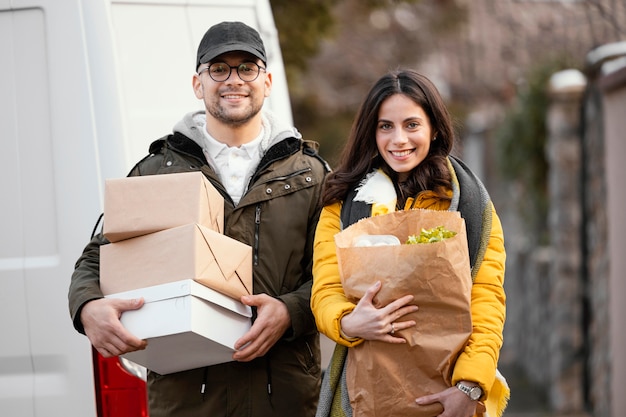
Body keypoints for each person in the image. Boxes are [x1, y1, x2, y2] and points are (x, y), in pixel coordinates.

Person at [68, 21, 329, 417]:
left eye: (247, 67)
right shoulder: (157, 170)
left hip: (285, 396)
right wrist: (87, 307)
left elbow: (337, 275)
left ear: (268, 80)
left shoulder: (312, 175)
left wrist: (290, 310)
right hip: (188, 399)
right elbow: (96, 259)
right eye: (218, 69)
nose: (233, 80)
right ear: (198, 84)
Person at [311, 69, 509, 417]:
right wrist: (347, 322)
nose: (398, 139)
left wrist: (470, 387)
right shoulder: (342, 202)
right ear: (371, 132)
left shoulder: (469, 204)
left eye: (412, 124)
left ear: (434, 129)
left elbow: (486, 299)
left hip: (447, 392)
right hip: (362, 392)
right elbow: (325, 287)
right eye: (385, 126)